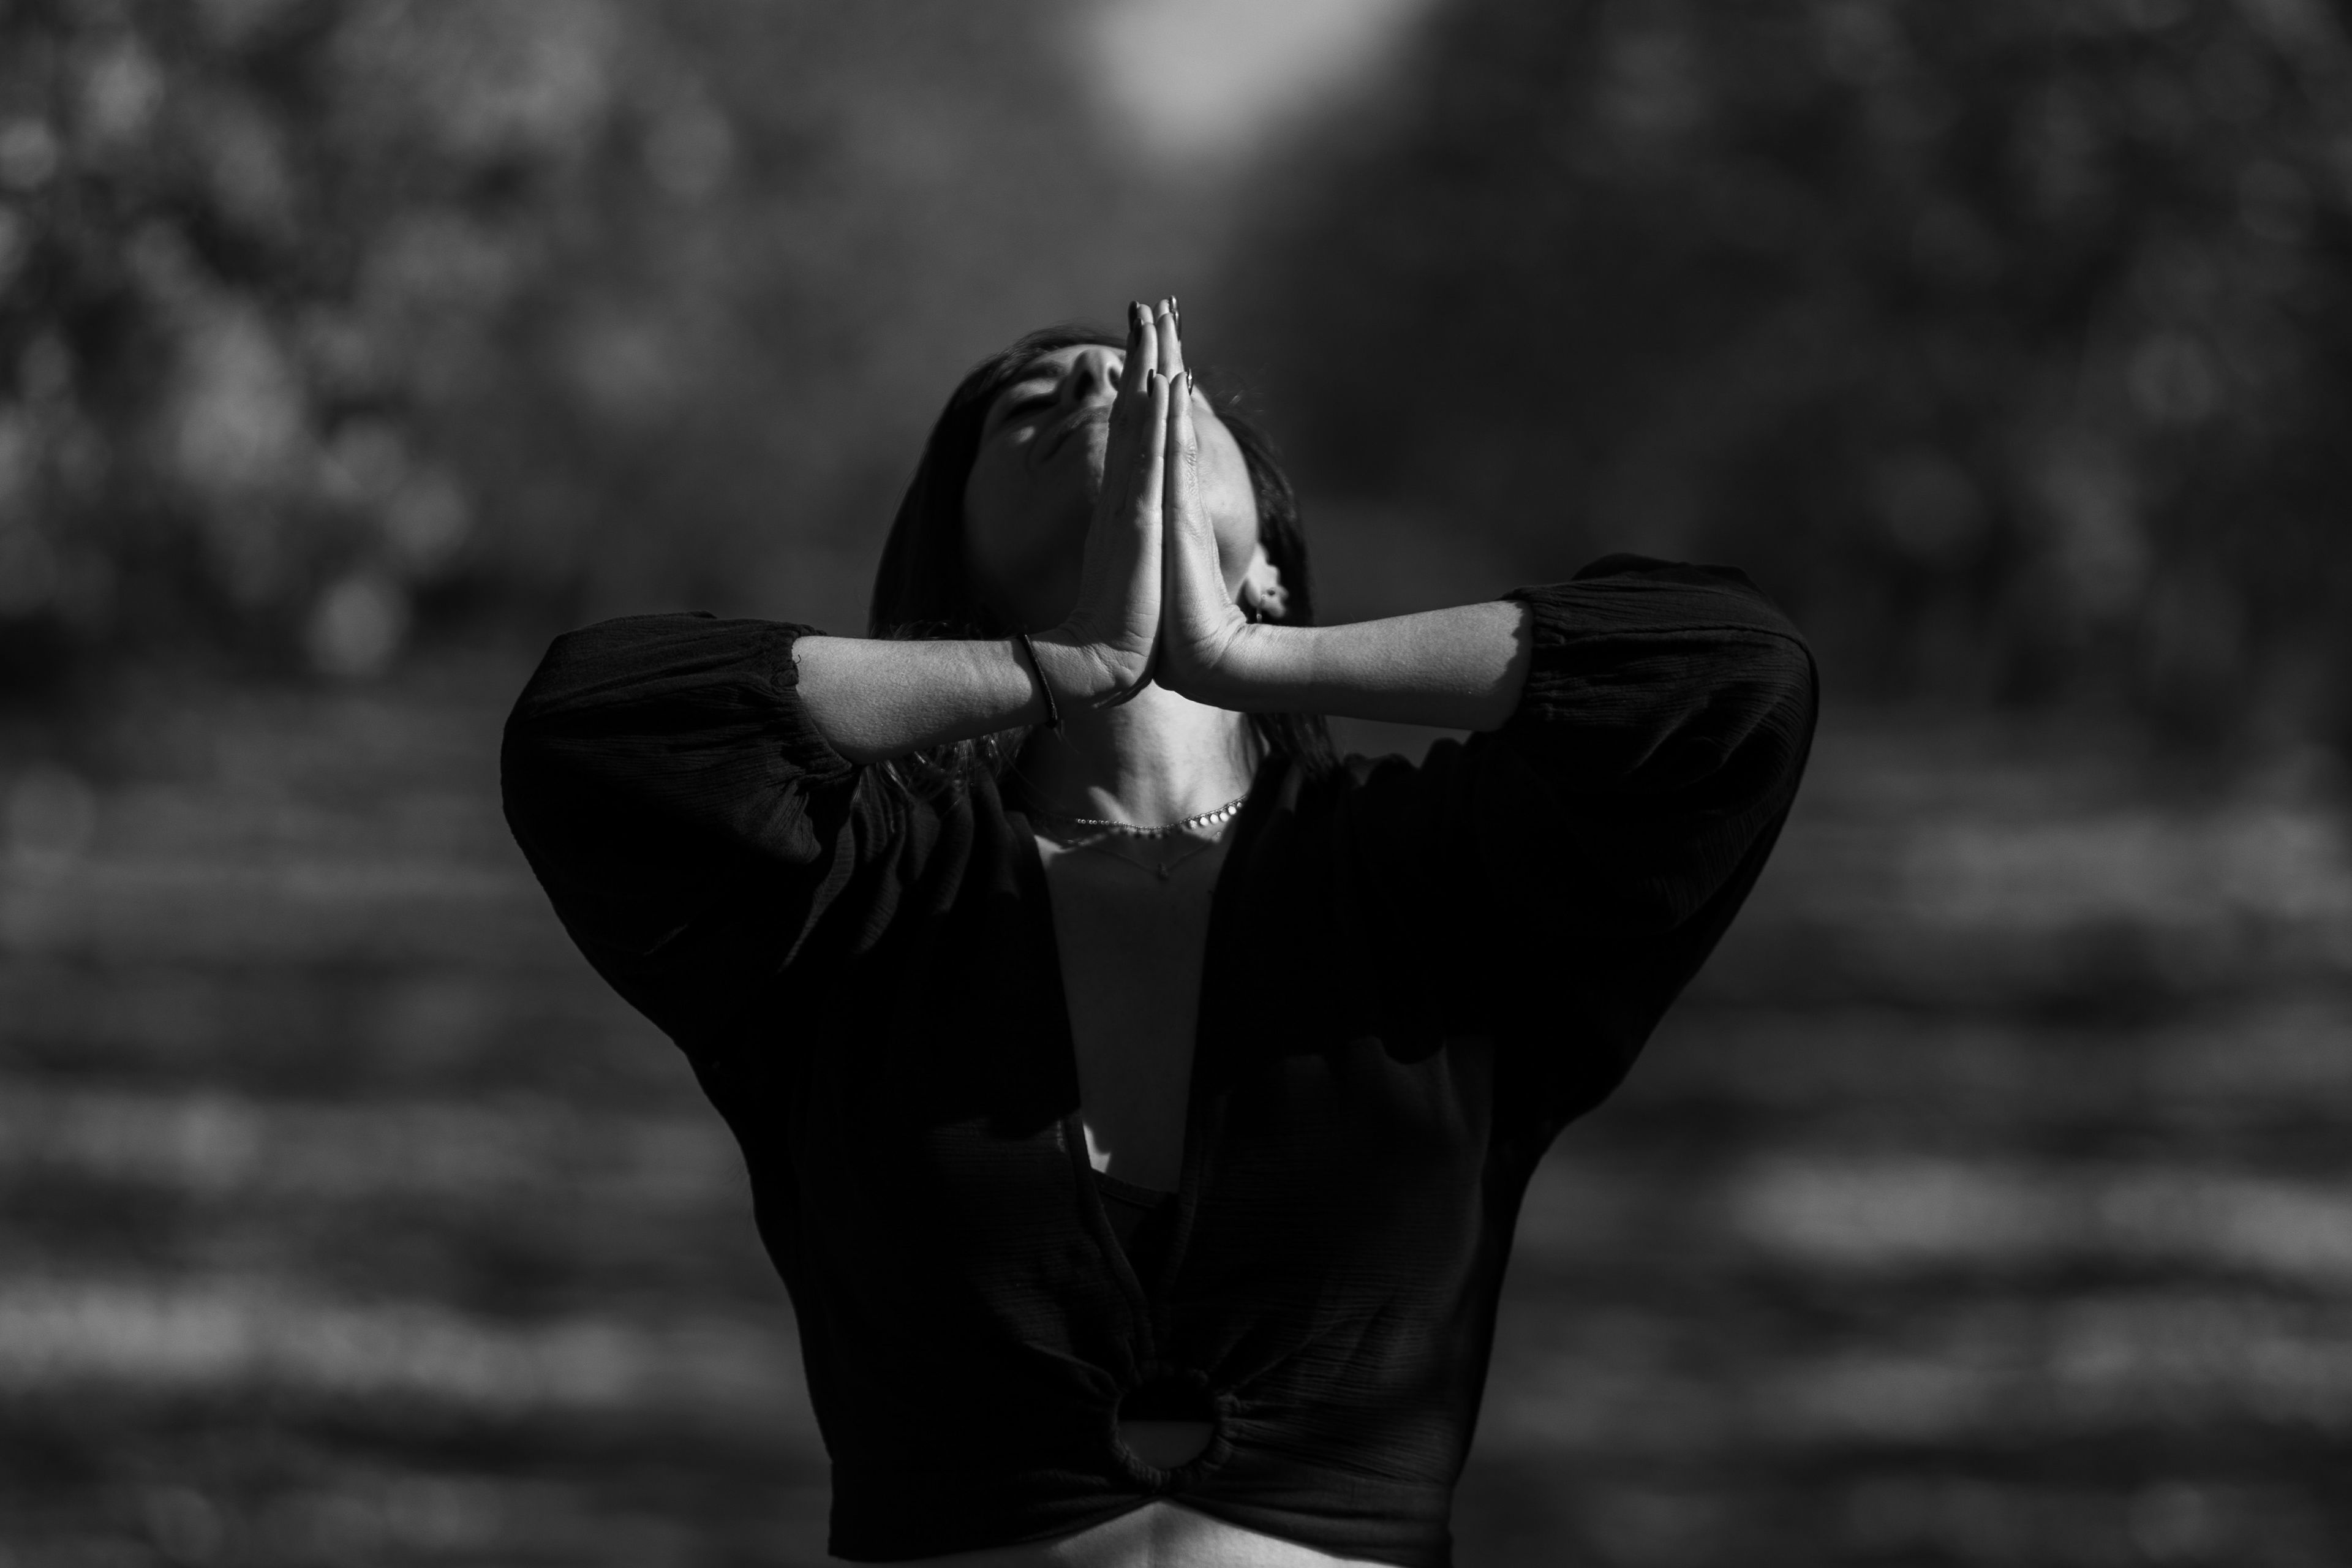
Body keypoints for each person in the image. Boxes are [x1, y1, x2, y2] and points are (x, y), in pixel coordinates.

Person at [502, 300, 1816, 1567]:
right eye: (1031, 401)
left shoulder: (1429, 877)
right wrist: (1060, 662)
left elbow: (1726, 672)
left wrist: (1243, 656)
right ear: (957, 572)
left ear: (1270, 554)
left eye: (1149, 388)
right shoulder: (854, 899)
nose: (1094, 385)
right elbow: (599, 722)